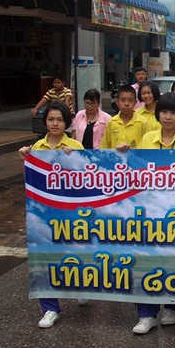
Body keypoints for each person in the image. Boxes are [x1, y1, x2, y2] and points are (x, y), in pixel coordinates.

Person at [134, 92, 175, 333]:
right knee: (146, 261)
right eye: (164, 111)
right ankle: (146, 314)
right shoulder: (147, 139)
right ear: (157, 114)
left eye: (173, 112)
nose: (168, 116)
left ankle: (173, 307)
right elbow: (133, 171)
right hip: (151, 212)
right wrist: (122, 153)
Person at [18, 101, 85, 328]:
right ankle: (50, 308)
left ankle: (81, 287)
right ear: (45, 122)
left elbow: (88, 179)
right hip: (45, 216)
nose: (55, 123)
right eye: (50, 119)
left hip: (72, 214)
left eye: (59, 119)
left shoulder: (75, 145)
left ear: (67, 122)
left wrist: (75, 158)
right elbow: (32, 180)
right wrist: (26, 158)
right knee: (45, 258)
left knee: (76, 254)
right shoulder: (37, 147)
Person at [99, 84, 147, 151]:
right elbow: (104, 148)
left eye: (130, 100)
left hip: (136, 160)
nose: (126, 104)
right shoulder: (112, 122)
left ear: (135, 103)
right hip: (116, 161)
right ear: (117, 102)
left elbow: (147, 148)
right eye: (123, 100)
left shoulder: (143, 122)